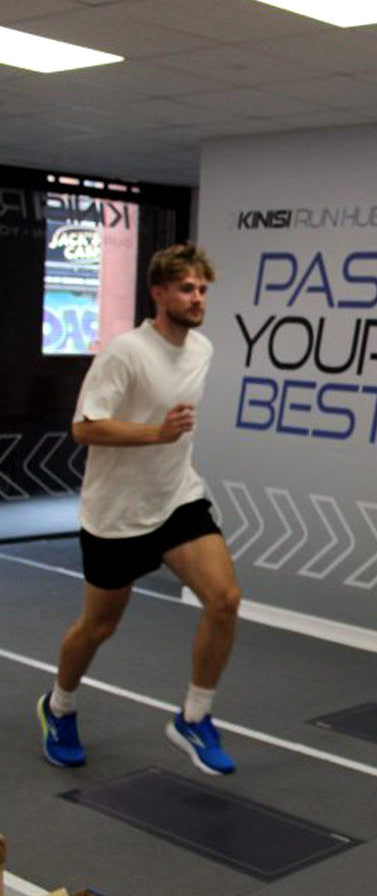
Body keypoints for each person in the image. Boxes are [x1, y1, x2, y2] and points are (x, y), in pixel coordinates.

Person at [36, 242, 240, 776]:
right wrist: (156, 434)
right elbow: (84, 429)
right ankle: (59, 706)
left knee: (224, 600)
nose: (197, 298)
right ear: (159, 293)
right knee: (98, 627)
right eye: (186, 289)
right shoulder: (125, 352)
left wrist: (171, 451)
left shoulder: (202, 350)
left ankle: (194, 717)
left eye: (202, 289)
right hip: (116, 514)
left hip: (176, 498)